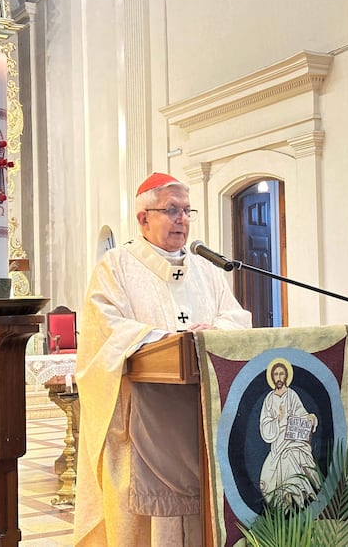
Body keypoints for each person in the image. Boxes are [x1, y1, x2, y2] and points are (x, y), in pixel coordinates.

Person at [74, 172, 252, 546]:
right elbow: (105, 329)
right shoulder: (116, 266)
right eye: (172, 210)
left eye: (187, 211)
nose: (182, 220)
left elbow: (236, 318)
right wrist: (167, 341)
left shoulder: (205, 269)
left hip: (202, 420)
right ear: (143, 218)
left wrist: (213, 332)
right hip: (142, 425)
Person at [259, 359, 318, 509]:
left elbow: (301, 413)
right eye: (276, 374)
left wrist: (309, 417)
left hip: (293, 439)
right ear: (272, 378)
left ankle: (298, 500)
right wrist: (277, 419)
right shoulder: (269, 399)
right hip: (278, 441)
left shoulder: (292, 395)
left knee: (290, 458)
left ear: (286, 376)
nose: (279, 377)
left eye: (281, 374)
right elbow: (264, 424)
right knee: (270, 473)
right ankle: (285, 505)